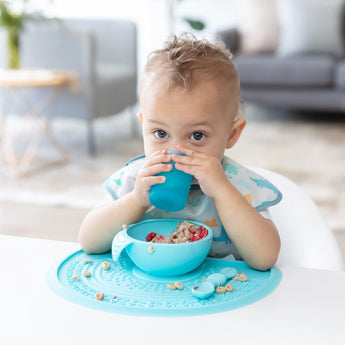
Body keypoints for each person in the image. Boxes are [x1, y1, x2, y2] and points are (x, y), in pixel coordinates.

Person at [79, 34, 282, 271]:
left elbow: (266, 257)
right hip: (149, 294)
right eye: (160, 133)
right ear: (143, 126)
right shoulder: (137, 181)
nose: (176, 151)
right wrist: (135, 200)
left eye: (197, 136)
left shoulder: (237, 186)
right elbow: (89, 242)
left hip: (220, 297)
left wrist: (223, 191)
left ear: (231, 134)